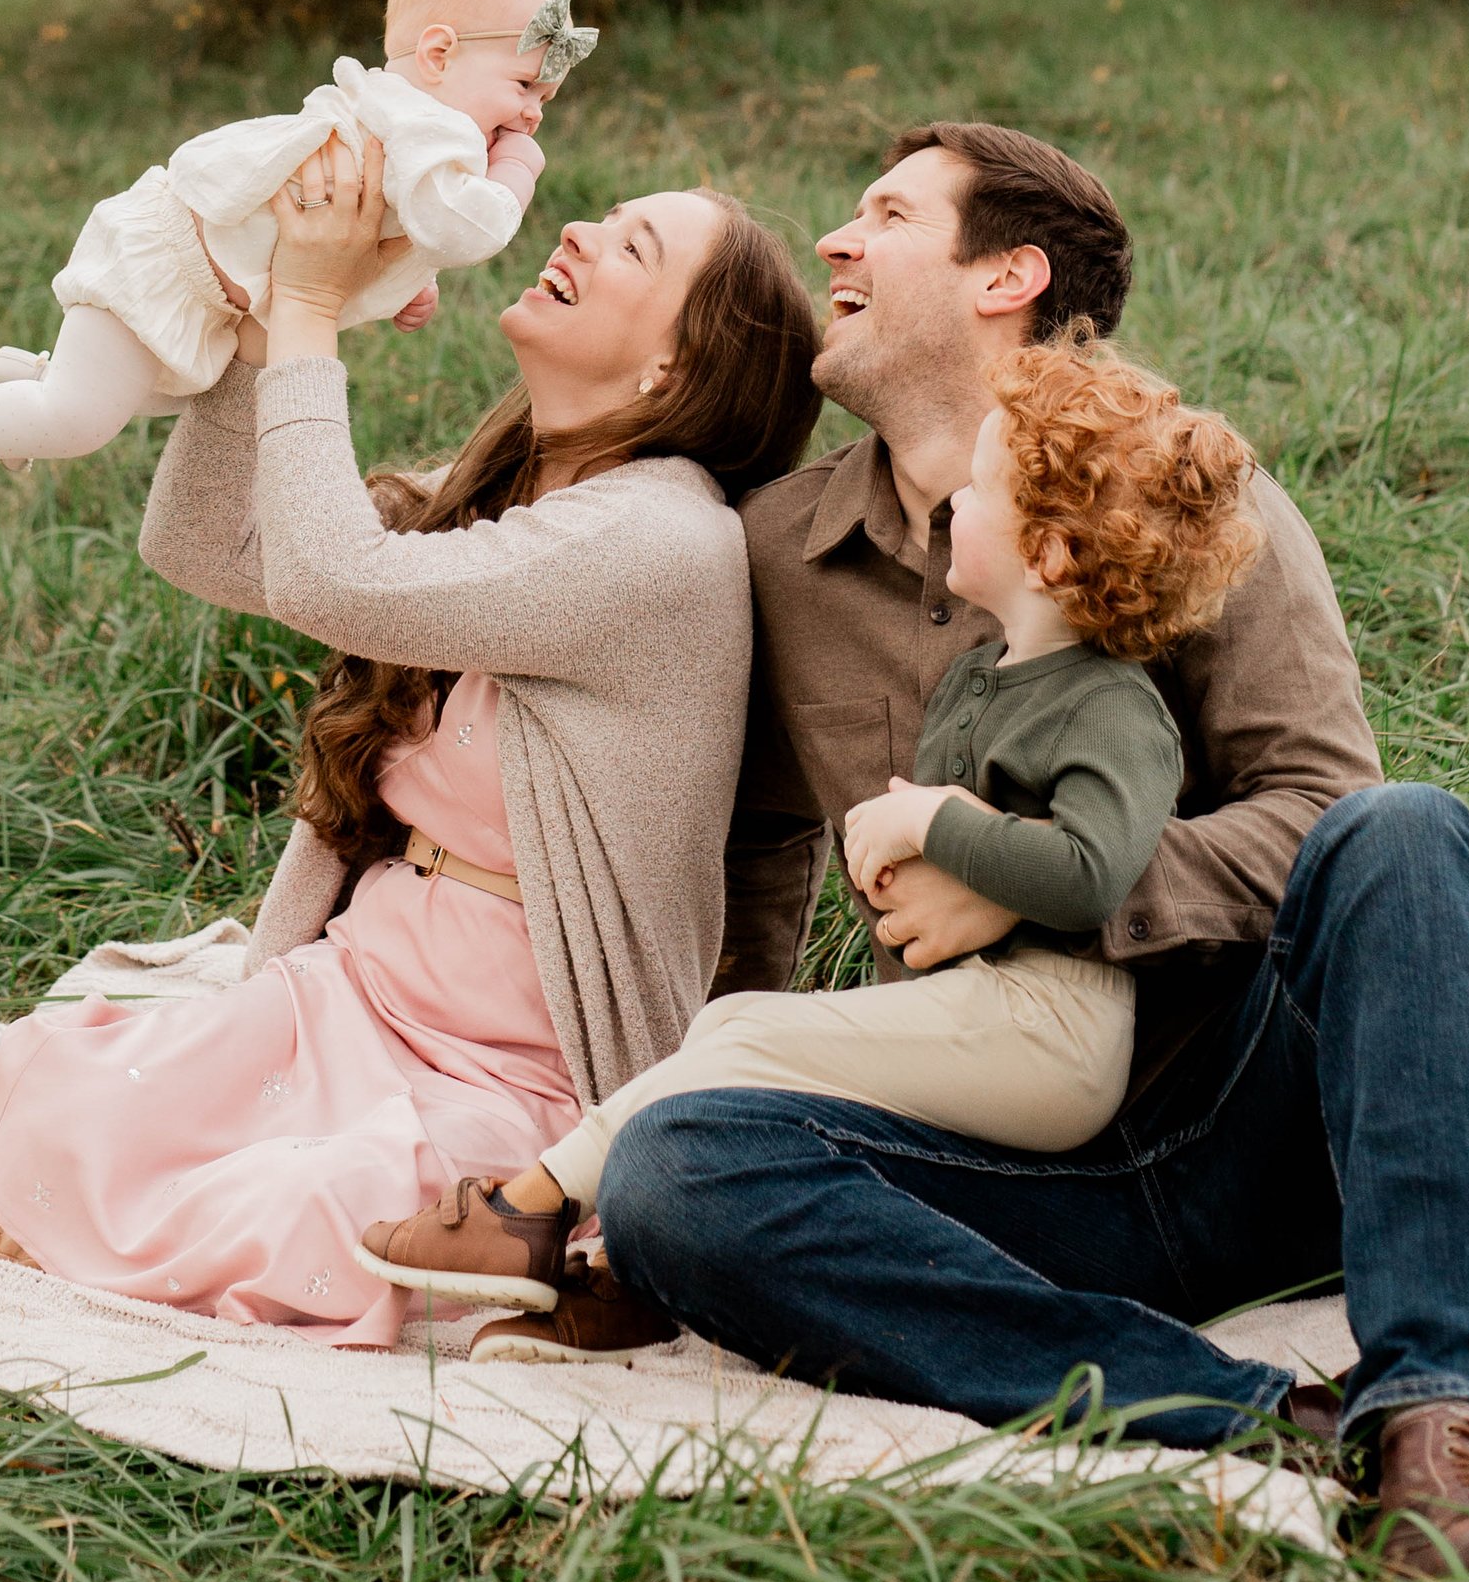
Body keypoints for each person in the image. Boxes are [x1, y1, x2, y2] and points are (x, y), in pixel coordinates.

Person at [578, 122, 1469, 1582]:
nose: (834, 246)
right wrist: (634, 1121)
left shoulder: (1190, 496)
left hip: (1253, 1119)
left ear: (1010, 273)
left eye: (883, 215)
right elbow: (753, 867)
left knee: (1407, 830)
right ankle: (1261, 1413)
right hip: (999, 1160)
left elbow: (1324, 810)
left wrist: (1026, 865)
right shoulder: (774, 550)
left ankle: (1455, 1425)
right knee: (679, 1173)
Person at [0, 135, 822, 1342]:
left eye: (632, 246)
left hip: (512, 1074)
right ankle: (40, 1172)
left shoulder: (657, 543)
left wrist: (312, 310)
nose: (578, 233)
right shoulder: (515, 493)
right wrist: (245, 320)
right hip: (353, 991)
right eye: (601, 216)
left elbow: (333, 576)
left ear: (673, 365)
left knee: (316, 1213)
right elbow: (206, 546)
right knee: (68, 1099)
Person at [356, 336, 1258, 1320]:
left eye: (984, 489)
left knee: (754, 1040)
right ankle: (619, 1240)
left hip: (1054, 1035)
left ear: (1049, 553)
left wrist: (934, 821)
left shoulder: (1113, 708)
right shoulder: (982, 672)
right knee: (738, 1025)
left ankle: (526, 1208)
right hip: (981, 1011)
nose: (954, 503)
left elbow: (1090, 873)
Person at [0, 0, 588, 541]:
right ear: (439, 54)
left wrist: (410, 278)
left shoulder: (404, 117)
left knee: (144, 397)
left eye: (543, 102)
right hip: (173, 265)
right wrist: (515, 175)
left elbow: (390, 215)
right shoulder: (441, 131)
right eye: (525, 87)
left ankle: (32, 380)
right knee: (79, 420)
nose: (531, 117)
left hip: (204, 286)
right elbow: (466, 226)